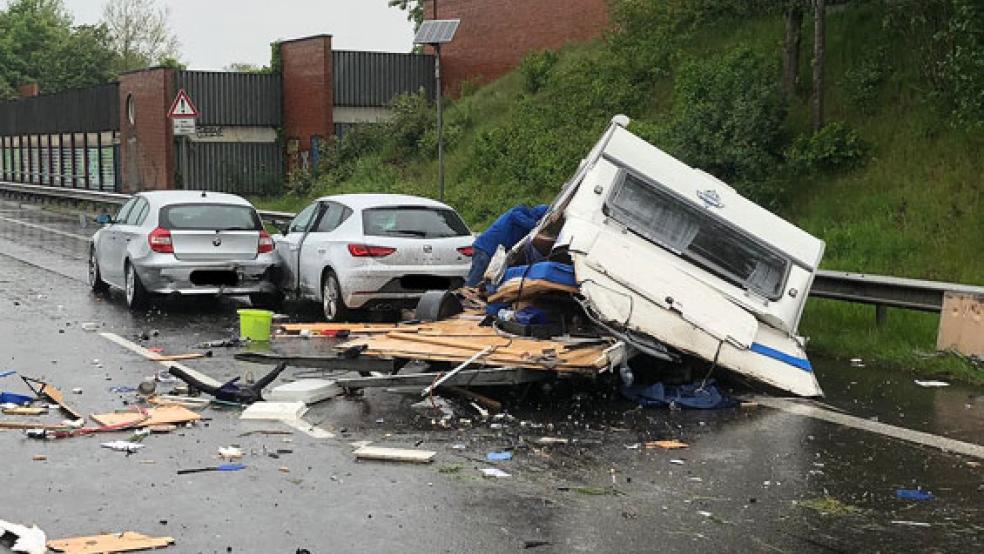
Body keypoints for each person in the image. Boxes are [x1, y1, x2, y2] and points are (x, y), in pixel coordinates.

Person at [466, 204, 549, 286]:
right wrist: (537, 224)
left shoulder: (524, 223)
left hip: (491, 251)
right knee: (475, 279)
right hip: (485, 248)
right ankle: (465, 296)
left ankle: (469, 295)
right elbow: (526, 222)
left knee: (484, 280)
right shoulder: (519, 213)